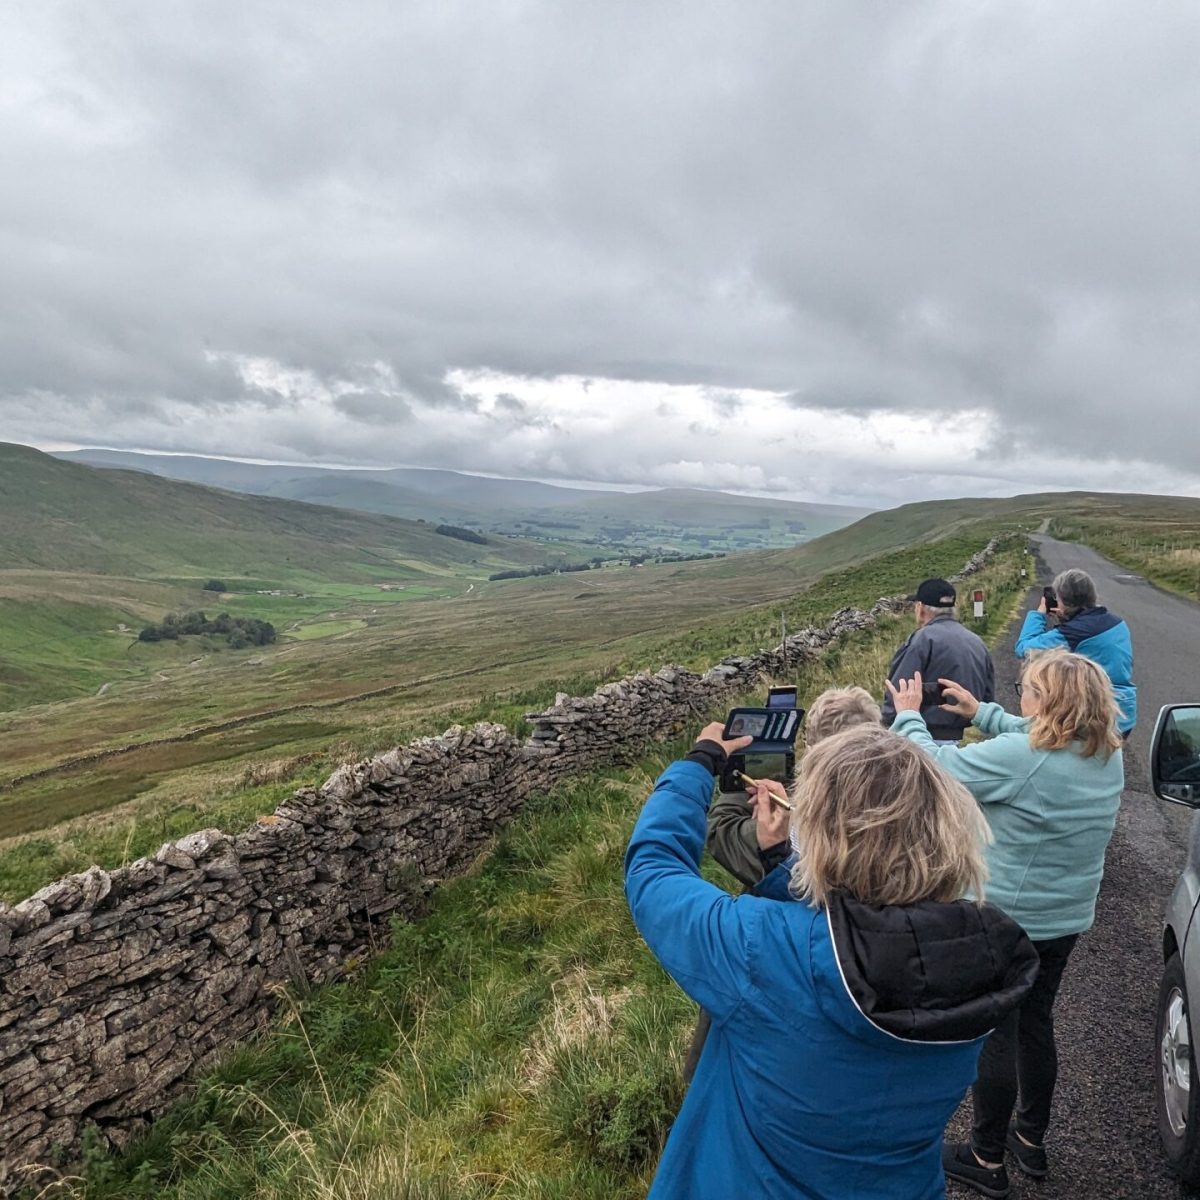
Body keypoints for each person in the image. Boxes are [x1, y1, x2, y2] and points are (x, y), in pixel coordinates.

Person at [625, 722, 1038, 1200]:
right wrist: (778, 862)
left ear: (820, 835)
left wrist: (698, 764)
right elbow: (870, 936)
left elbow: (653, 872)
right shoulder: (978, 957)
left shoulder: (760, 949)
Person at [886, 650, 1124, 1197]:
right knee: (1038, 1023)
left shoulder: (1024, 757)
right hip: (1066, 917)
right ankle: (1031, 1141)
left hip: (1011, 920)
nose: (1023, 696)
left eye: (1030, 689)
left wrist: (908, 715)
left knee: (999, 1032)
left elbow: (938, 771)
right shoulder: (1103, 751)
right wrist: (983, 712)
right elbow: (1031, 734)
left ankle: (985, 1158)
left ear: (1052, 702)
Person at [680, 686, 884, 1083]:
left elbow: (723, 836)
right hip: (868, 979)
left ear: (812, 747)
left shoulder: (797, 819)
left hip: (783, 963)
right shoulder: (904, 803)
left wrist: (740, 783)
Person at [705, 685, 883, 889]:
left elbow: (722, 829)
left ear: (809, 749)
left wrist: (749, 772)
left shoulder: (790, 832)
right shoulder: (906, 809)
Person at [1015, 567, 1136, 735]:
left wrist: (1040, 614)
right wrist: (1067, 618)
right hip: (1124, 713)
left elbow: (1024, 649)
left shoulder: (1073, 633)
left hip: (1094, 717)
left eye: (1057, 598)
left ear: (1066, 602)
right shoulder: (1116, 622)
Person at [881, 577, 995, 743]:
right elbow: (987, 697)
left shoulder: (922, 640)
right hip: (954, 739)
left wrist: (884, 725)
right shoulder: (977, 641)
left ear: (920, 608)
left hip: (919, 737)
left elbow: (899, 691)